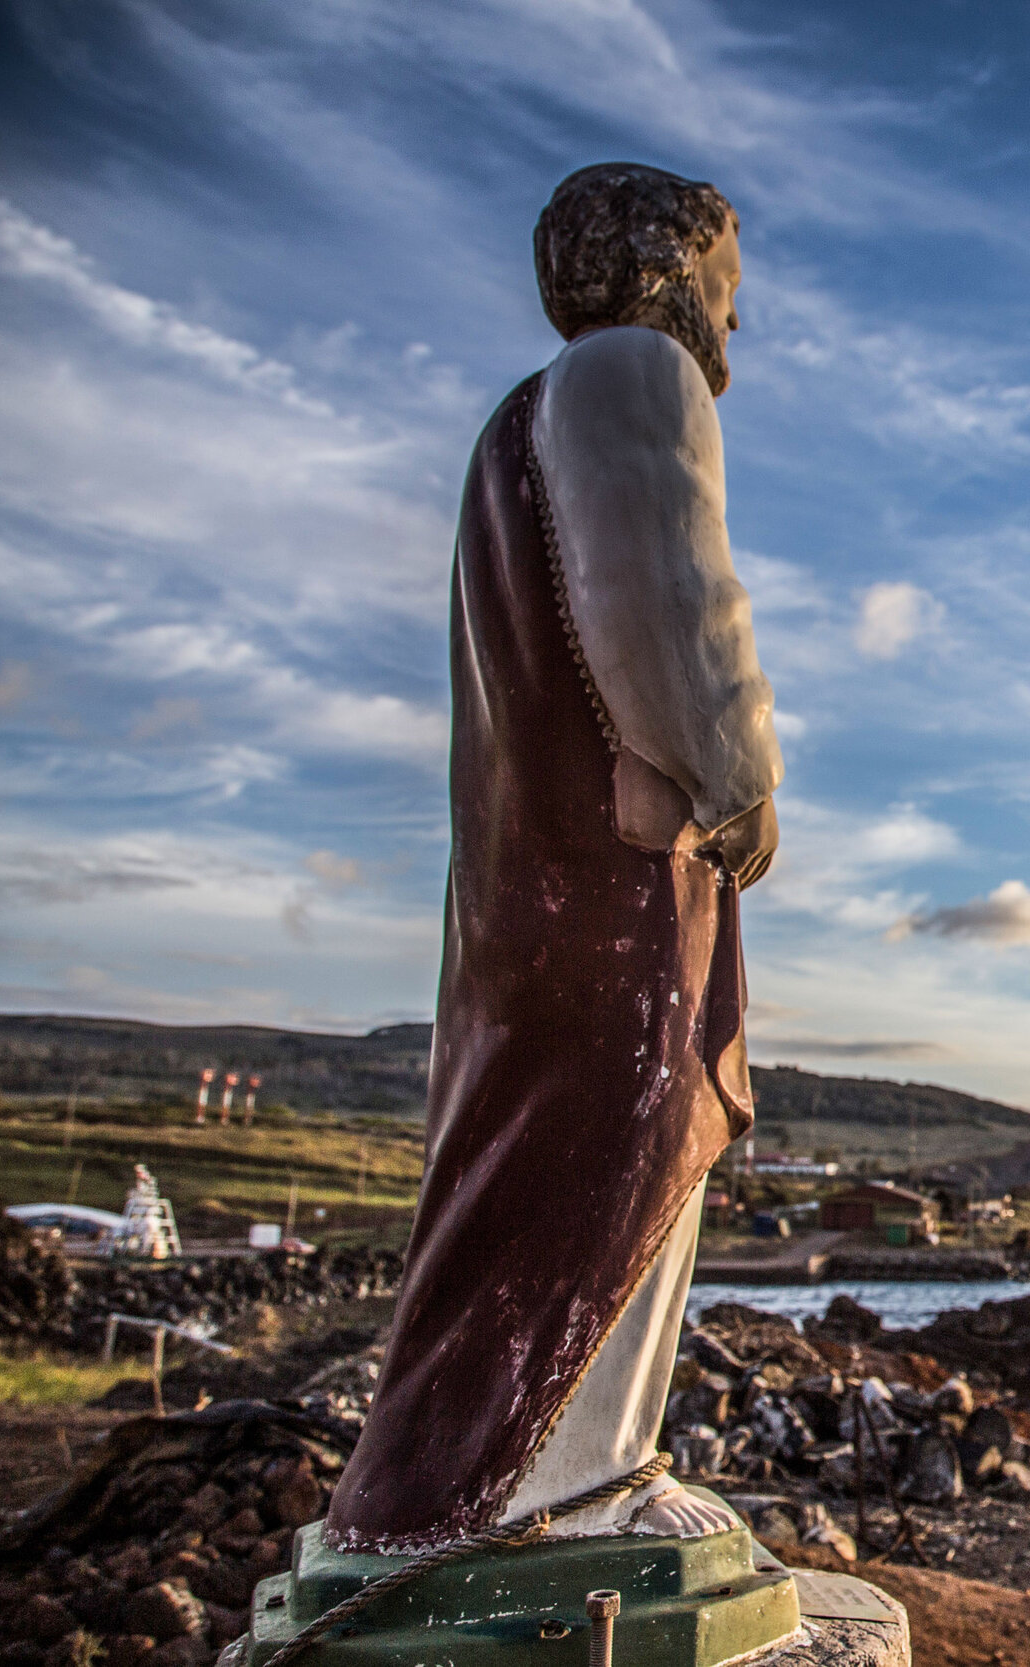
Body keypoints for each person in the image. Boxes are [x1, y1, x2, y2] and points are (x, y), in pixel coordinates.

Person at [326, 163, 781, 1553]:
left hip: (540, 871)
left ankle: (551, 1472)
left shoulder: (515, 421)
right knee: (617, 1135)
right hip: (615, 867)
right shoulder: (640, 377)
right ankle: (544, 1489)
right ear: (661, 266)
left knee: (557, 1147)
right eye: (728, 285)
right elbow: (671, 595)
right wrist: (737, 771)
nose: (734, 323)